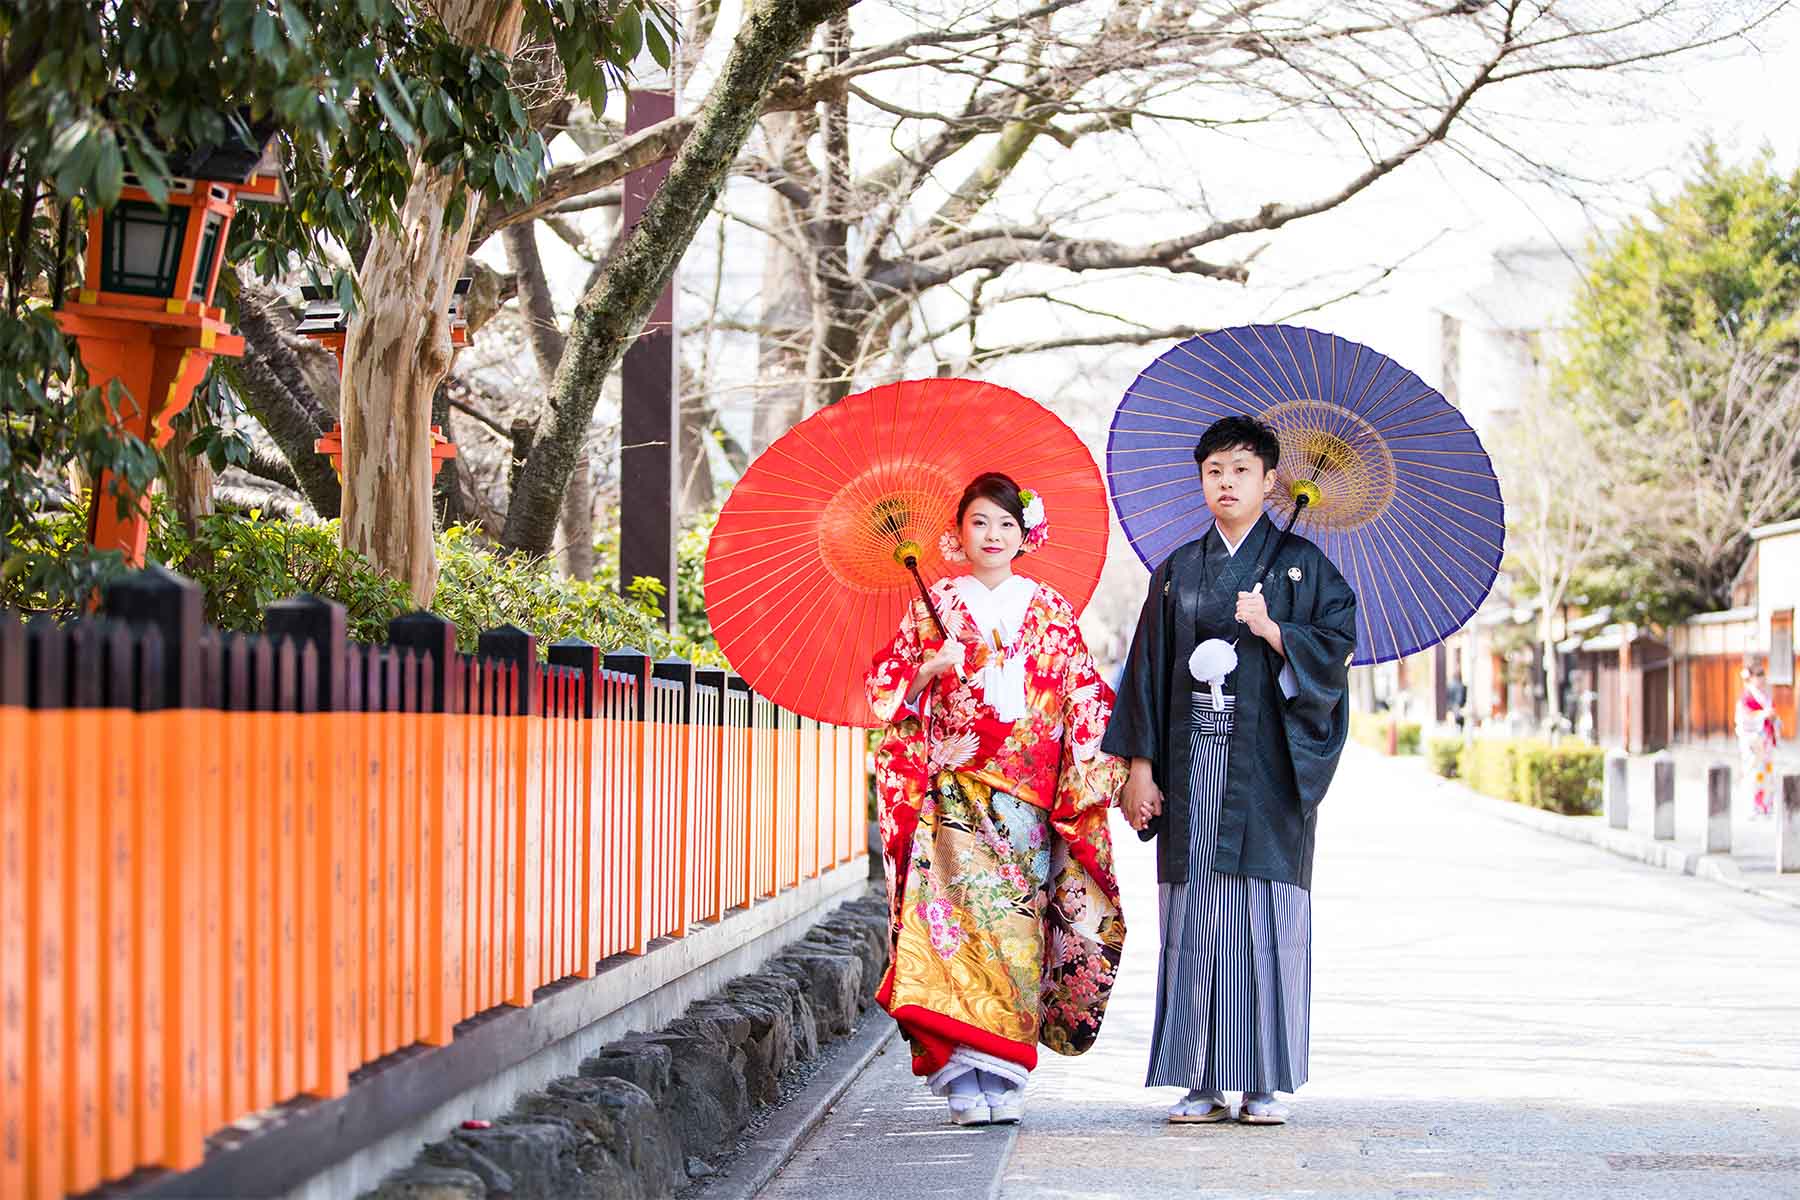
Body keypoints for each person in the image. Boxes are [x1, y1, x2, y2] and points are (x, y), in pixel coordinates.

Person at [1102, 414, 1357, 1127]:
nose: (1226, 482)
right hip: (1191, 767)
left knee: (1268, 918)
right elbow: (1146, 673)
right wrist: (1141, 770)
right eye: (1214, 471)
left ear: (1271, 481)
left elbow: (1336, 650)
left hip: (1270, 769)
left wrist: (1276, 630)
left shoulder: (1307, 570)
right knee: (1197, 919)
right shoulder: (1179, 570)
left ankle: (1265, 1082)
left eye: (1242, 470)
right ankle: (1201, 1081)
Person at [865, 472, 1127, 1127]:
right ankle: (960, 1081)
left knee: (1014, 933)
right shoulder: (934, 604)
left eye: (1006, 524)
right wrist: (927, 668)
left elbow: (1083, 691)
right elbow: (882, 686)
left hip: (1028, 803)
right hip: (949, 799)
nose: (992, 535)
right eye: (979, 522)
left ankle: (1003, 1074)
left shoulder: (1047, 607)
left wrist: (1113, 753)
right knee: (950, 935)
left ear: (1024, 534)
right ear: (958, 532)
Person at [1736, 660, 1779, 819]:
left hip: (1766, 740)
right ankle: (1751, 806)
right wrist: (1763, 715)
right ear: (1751, 678)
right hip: (1753, 740)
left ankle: (1766, 804)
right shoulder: (1746, 697)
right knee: (1753, 771)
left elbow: (1773, 717)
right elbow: (1743, 719)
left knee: (1767, 772)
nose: (1761, 679)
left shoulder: (1765, 697)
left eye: (1762, 676)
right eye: (1758, 676)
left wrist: (1773, 717)